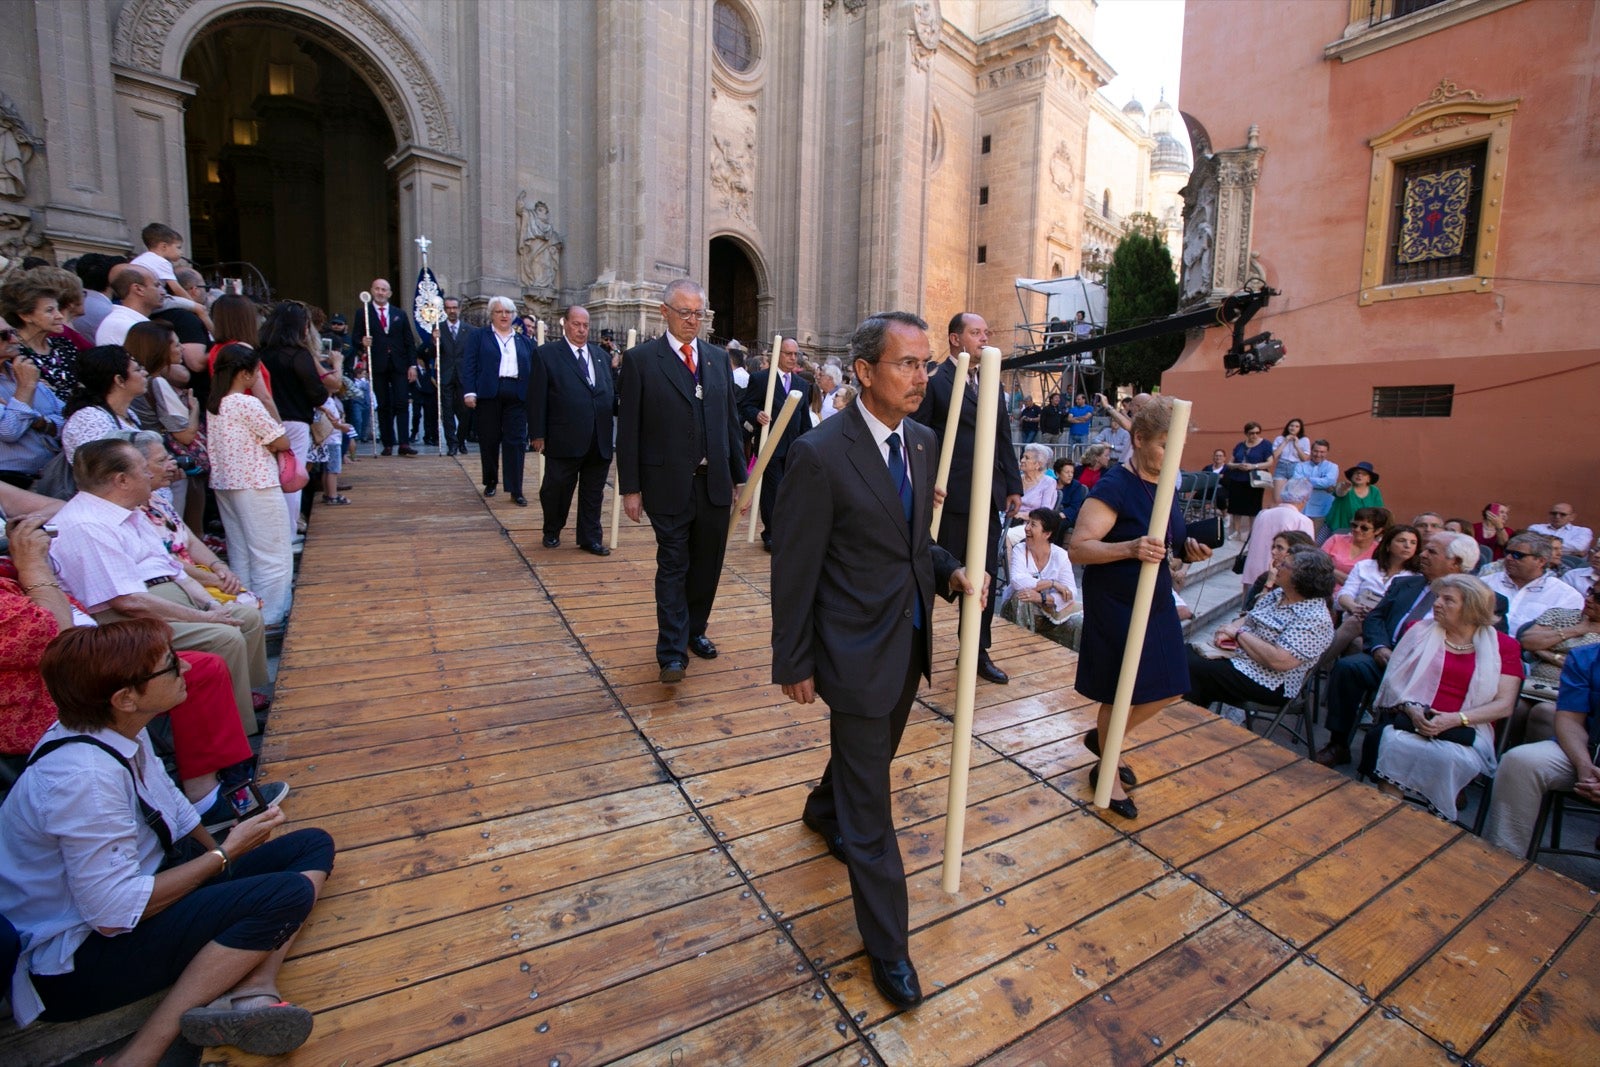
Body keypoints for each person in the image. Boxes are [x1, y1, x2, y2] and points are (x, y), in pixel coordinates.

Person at [0, 620, 334, 1061]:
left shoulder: (118, 732)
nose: (186, 671)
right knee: (285, 894)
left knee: (311, 845)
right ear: (125, 698)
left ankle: (253, 984)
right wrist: (223, 855)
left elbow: (174, 809)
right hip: (73, 965)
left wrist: (228, 849)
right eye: (170, 667)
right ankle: (140, 1053)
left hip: (136, 895)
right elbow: (113, 913)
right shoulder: (85, 780)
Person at [770, 310, 976, 1012]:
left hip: (908, 645)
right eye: (908, 363)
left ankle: (821, 808)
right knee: (873, 812)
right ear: (864, 372)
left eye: (924, 363)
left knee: (865, 765)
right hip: (853, 652)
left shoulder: (920, 443)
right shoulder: (821, 454)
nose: (923, 376)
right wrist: (792, 658)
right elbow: (795, 568)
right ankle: (888, 944)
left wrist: (948, 572)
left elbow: (909, 544)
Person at [49, 438, 271, 736]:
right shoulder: (87, 525)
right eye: (144, 469)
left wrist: (211, 605)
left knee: (246, 617)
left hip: (160, 601)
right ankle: (237, 733)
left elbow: (173, 569)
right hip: (125, 622)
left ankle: (243, 696)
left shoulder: (131, 512)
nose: (150, 475)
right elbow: (128, 602)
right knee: (224, 636)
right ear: (122, 480)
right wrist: (206, 618)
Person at [1070, 396, 1214, 818]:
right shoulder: (1114, 486)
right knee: (1120, 692)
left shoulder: (1165, 482)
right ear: (1137, 439)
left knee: (1170, 686)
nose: (1173, 455)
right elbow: (1078, 549)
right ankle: (1107, 769)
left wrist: (1189, 550)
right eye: (1165, 445)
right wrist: (1130, 547)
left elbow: (1168, 542)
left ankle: (1105, 740)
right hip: (1116, 601)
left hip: (1155, 598)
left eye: (1179, 446)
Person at [616, 278, 746, 683]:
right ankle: (672, 652)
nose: (693, 321)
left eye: (699, 314)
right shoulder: (641, 360)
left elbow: (728, 424)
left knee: (707, 565)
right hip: (666, 485)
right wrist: (630, 489)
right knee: (673, 564)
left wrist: (739, 477)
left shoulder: (716, 358)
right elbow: (630, 431)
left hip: (714, 484)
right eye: (685, 312)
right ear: (664, 312)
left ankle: (695, 630)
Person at [1314, 532, 1503, 768]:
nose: (1421, 554)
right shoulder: (1405, 583)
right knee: (1348, 668)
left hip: (1434, 672)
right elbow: (1376, 618)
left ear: (1455, 562)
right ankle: (1338, 744)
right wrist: (1379, 647)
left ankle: (1434, 770)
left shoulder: (1480, 598)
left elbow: (1485, 647)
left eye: (1431, 551)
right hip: (1386, 658)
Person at [910, 311, 1022, 685]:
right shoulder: (937, 381)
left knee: (984, 576)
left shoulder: (993, 382)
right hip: (948, 498)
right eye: (976, 332)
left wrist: (1014, 485)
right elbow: (918, 435)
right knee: (930, 572)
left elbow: (1003, 435)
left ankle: (975, 650)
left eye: (987, 332)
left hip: (986, 497)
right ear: (955, 339)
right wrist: (924, 484)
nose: (984, 338)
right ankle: (911, 648)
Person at [1360, 574, 1521, 820]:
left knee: (1447, 757)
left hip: (1467, 727)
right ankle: (1385, 816)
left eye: (1448, 600)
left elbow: (1504, 705)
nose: (1436, 604)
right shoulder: (1418, 631)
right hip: (1412, 717)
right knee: (1393, 742)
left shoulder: (1504, 646)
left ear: (1471, 607)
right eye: (1437, 597)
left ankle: (1435, 825)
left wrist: (1455, 719)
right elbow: (1395, 681)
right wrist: (1412, 709)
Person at [206, 346, 294, 627]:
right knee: (272, 551)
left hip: (226, 481)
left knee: (241, 548)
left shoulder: (215, 403)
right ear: (245, 373)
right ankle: (270, 614)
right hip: (256, 481)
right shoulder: (245, 403)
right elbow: (281, 440)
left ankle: (246, 606)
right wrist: (270, 442)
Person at [1484, 641, 1600, 856]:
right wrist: (1584, 766)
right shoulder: (1586, 657)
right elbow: (1570, 720)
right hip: (1589, 752)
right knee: (1521, 761)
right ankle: (1503, 859)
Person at [1188, 546, 1336, 706]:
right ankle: (1183, 718)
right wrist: (1226, 632)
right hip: (1240, 660)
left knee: (1193, 668)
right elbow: (1250, 617)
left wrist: (1238, 634)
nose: (1277, 566)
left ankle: (1179, 720)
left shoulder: (1315, 618)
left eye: (1284, 565)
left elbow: (1279, 661)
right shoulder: (1279, 594)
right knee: (1182, 654)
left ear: (1301, 577)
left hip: (1269, 682)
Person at [532, 305, 614, 554]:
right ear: (564, 324)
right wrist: (537, 433)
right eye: (576, 324)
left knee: (593, 492)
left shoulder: (601, 356)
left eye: (586, 325)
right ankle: (552, 529)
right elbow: (536, 397)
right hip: (564, 437)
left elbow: (608, 392)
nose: (581, 329)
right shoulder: (547, 354)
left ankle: (590, 538)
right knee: (556, 488)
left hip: (598, 437)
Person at [258, 302, 337, 541]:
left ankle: (271, 532)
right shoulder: (297, 355)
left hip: (264, 422)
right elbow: (317, 392)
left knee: (269, 478)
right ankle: (289, 532)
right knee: (293, 477)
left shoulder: (260, 352)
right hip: (294, 421)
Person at [462, 296, 540, 507]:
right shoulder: (479, 337)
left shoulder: (525, 342)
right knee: (489, 439)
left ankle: (516, 488)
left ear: (514, 315)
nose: (504, 316)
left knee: (515, 442)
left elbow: (534, 371)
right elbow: (469, 365)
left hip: (517, 394)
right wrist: (469, 392)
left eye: (508, 312)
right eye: (499, 312)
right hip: (489, 394)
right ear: (492, 315)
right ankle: (490, 480)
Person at [738, 336, 812, 551]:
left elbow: (804, 418)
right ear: (776, 354)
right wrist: (757, 415)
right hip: (769, 446)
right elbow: (746, 406)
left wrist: (807, 443)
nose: (793, 358)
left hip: (794, 448)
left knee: (789, 491)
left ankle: (787, 531)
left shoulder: (801, 384)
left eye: (795, 354)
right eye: (788, 353)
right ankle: (771, 533)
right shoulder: (762, 379)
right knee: (773, 491)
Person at [1330, 523, 1422, 658]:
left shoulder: (1416, 577)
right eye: (1402, 541)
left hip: (1385, 625)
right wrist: (1355, 607)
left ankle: (1312, 668)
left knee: (1357, 635)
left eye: (1413, 542)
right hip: (1357, 616)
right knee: (1356, 631)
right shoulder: (1365, 566)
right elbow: (1345, 594)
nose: (1408, 546)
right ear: (1388, 545)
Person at [354, 278, 418, 456]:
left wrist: (412, 365)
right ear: (372, 291)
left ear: (389, 293)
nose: (381, 292)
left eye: (384, 290)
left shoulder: (400, 314)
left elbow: (409, 342)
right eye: (377, 289)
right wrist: (362, 342)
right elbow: (355, 339)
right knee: (383, 404)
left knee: (402, 402)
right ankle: (388, 443)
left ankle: (404, 443)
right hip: (378, 364)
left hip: (399, 364)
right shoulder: (363, 313)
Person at [1480, 531, 1583, 636]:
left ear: (1541, 561)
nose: (1509, 558)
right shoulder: (1484, 583)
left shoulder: (1566, 596)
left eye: (1517, 555)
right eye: (1507, 552)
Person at [0, 324, 65, 485]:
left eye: (13, 332)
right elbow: (8, 430)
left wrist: (41, 421)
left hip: (54, 473)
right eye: (4, 335)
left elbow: (68, 418)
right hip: (12, 483)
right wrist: (25, 388)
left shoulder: (21, 371)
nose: (15, 339)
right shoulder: (26, 377)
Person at [1, 271, 82, 400]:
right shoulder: (13, 354)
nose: (60, 316)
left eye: (57, 309)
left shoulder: (63, 345)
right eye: (50, 310)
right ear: (25, 316)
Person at [60, 344, 147, 462]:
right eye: (137, 370)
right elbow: (106, 468)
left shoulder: (128, 413)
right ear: (119, 380)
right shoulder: (89, 420)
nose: (145, 373)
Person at [1006, 506, 1080, 644]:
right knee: (1022, 597)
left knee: (1080, 621)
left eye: (1033, 525)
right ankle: (1019, 645)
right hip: (1018, 609)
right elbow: (1017, 581)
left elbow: (1071, 593)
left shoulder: (1061, 556)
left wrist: (1043, 597)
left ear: (1047, 534)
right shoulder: (1020, 549)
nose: (1027, 528)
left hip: (1048, 612)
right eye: (1028, 523)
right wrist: (1052, 583)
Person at [1238, 476, 1315, 591]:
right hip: (1278, 578)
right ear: (1304, 499)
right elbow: (1306, 555)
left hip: (1253, 572)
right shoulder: (1303, 521)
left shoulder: (1263, 514)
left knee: (1248, 606)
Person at [431, 295, 471, 455]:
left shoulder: (470, 330)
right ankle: (452, 444)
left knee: (466, 411)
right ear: (445, 310)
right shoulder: (438, 329)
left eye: (455, 308)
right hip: (446, 375)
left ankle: (461, 440)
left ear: (459, 309)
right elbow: (431, 354)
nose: (452, 311)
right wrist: (434, 342)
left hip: (464, 376)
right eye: (449, 308)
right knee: (446, 411)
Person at [1242, 529, 1317, 612]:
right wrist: (1269, 584)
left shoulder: (1311, 583)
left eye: (1280, 548)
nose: (1273, 552)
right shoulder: (1265, 578)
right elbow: (1250, 611)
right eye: (1273, 547)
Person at [1223, 421, 1273, 541]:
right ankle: (1236, 530)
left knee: (1253, 508)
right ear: (1246, 433)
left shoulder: (1265, 444)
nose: (1254, 435)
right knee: (1236, 507)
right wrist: (1237, 465)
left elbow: (1270, 462)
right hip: (1238, 478)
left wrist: (1254, 466)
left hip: (1254, 480)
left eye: (1257, 433)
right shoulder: (1240, 445)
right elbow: (1230, 463)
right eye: (1252, 433)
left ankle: (1253, 532)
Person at [94, 266, 164, 347]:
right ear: (138, 289)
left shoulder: (126, 321)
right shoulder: (126, 325)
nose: (162, 292)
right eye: (156, 285)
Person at [1322, 506, 1391, 584]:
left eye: (1364, 528)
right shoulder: (1336, 539)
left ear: (1378, 531)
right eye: (1354, 525)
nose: (1357, 530)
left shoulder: (1379, 552)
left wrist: (1330, 571)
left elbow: (1369, 582)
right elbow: (1318, 564)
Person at [1323, 461, 1384, 535]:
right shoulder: (1345, 486)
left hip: (1361, 532)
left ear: (1369, 479)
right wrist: (1344, 488)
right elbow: (1340, 492)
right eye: (1357, 473)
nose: (1359, 475)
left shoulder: (1374, 491)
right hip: (1337, 528)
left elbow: (1379, 511)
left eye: (1364, 474)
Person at [1291, 439, 1337, 529]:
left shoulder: (1333, 467)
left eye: (1322, 452)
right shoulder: (1300, 466)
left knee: (1315, 539)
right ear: (1311, 451)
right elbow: (1296, 481)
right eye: (1315, 451)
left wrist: (1306, 480)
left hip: (1321, 510)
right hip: (1302, 509)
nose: (1318, 455)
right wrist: (1322, 485)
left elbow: (1329, 482)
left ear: (1327, 453)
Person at [1527, 502, 1592, 557]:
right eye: (1554, 513)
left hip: (1569, 565)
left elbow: (1579, 547)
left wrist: (1542, 544)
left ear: (1572, 517)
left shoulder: (1582, 531)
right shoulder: (1536, 528)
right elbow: (1530, 545)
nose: (1557, 516)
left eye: (1562, 514)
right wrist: (1570, 550)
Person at [1269, 418, 1310, 500]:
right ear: (1288, 427)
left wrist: (1297, 446)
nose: (1293, 428)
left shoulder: (1304, 440)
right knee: (1277, 498)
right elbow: (1274, 456)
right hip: (1281, 466)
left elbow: (1305, 459)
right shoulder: (1279, 438)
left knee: (1293, 498)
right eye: (1291, 425)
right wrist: (1285, 442)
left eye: (1297, 426)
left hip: (1296, 467)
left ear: (1300, 429)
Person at [1017, 442, 1057, 514]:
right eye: (1023, 457)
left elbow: (1045, 512)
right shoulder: (1017, 479)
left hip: (1030, 522)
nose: (1022, 460)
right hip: (1008, 519)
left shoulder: (1049, 483)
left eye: (1027, 458)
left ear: (1038, 464)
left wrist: (1022, 515)